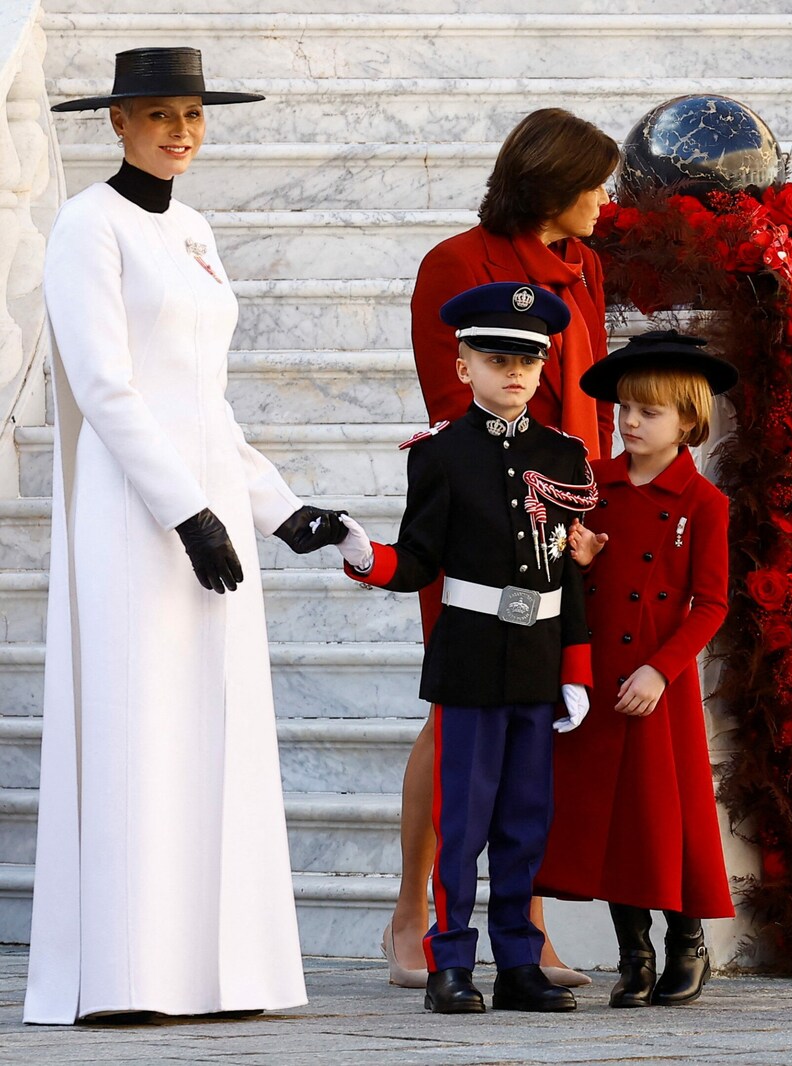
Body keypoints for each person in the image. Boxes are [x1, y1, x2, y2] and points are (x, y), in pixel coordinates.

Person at [24, 47, 348, 1024]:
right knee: (139, 728)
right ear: (115, 123)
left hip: (207, 514)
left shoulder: (197, 229)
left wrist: (274, 504)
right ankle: (126, 977)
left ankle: (217, 972)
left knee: (214, 731)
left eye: (194, 114)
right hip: (134, 516)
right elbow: (106, 386)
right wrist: (185, 509)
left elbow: (203, 400)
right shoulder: (88, 226)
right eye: (160, 113)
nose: (181, 131)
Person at [386, 108, 619, 989]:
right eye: (594, 182)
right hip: (479, 521)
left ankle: (523, 929)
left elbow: (587, 397)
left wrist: (584, 510)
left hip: (568, 526)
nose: (605, 199)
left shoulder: (584, 264)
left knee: (530, 718)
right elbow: (452, 411)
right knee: (456, 713)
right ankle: (413, 917)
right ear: (552, 182)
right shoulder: (457, 263)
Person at [337, 282, 598, 1014]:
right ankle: (450, 960)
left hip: (540, 657)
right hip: (471, 657)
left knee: (524, 820)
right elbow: (420, 559)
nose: (514, 371)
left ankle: (518, 963)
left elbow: (571, 571)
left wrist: (574, 670)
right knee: (462, 823)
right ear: (463, 367)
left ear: (545, 366)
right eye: (496, 356)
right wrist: (368, 558)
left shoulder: (565, 455)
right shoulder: (442, 454)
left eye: (528, 358)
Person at [534, 329, 738, 1008]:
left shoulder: (704, 504)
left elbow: (710, 604)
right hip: (599, 677)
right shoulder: (594, 489)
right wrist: (577, 561)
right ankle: (635, 953)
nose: (629, 422)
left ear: (687, 419)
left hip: (659, 684)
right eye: (624, 408)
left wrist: (661, 671)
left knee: (664, 814)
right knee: (611, 817)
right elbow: (564, 578)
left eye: (647, 411)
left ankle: (688, 943)